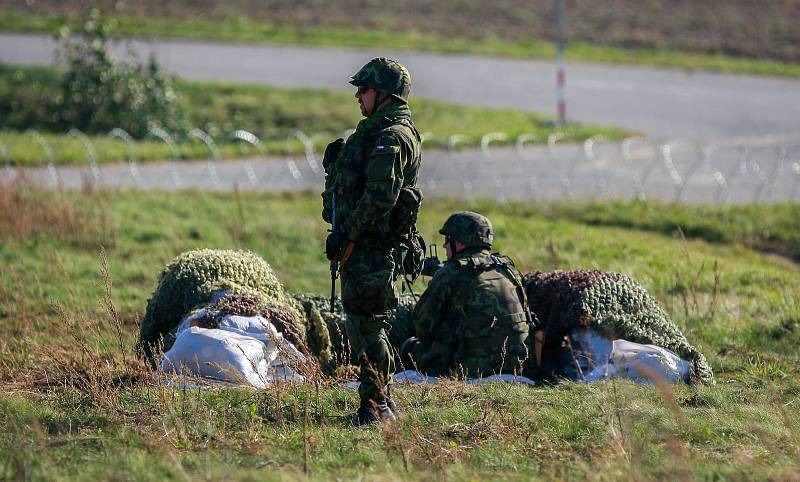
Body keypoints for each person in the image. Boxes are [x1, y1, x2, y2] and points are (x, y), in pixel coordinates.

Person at [321, 58, 422, 425]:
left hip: (372, 246)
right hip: (362, 244)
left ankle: (378, 405)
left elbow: (380, 198)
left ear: (383, 94)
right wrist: (337, 165)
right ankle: (377, 402)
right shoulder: (374, 133)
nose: (357, 96)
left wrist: (348, 232)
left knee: (368, 326)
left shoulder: (391, 138)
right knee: (362, 323)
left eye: (363, 90)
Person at [401, 211, 543, 378]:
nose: (444, 246)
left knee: (410, 345)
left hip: (472, 370)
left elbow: (422, 326)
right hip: (521, 367)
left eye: (448, 240)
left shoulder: (451, 272)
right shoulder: (509, 269)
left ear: (460, 242)